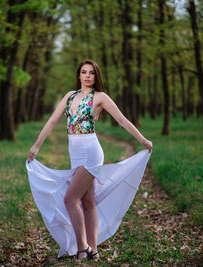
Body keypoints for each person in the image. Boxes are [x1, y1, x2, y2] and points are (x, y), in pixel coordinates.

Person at [26, 59, 153, 261]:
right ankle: (93, 249)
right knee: (88, 201)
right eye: (84, 72)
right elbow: (52, 121)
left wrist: (143, 140)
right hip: (74, 153)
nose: (87, 76)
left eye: (91, 73)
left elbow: (122, 120)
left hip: (91, 153)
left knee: (70, 199)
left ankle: (82, 247)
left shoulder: (100, 97)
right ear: (78, 75)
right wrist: (37, 145)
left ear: (96, 76)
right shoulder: (70, 96)